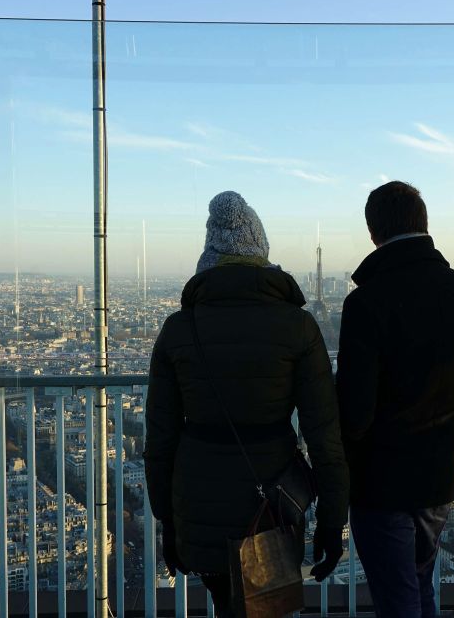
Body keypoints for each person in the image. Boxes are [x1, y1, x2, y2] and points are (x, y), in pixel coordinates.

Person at [144, 191, 349, 617]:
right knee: (266, 608)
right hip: (270, 499)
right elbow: (324, 435)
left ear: (209, 255)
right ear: (262, 251)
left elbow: (160, 439)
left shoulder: (180, 329)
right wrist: (333, 518)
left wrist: (166, 517)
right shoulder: (298, 327)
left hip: (198, 500)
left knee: (225, 604)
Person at [336, 180, 454, 618]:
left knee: (398, 599)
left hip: (380, 480)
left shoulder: (365, 304)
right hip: (436, 474)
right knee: (419, 585)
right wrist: (448, 414)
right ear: (424, 223)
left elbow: (354, 412)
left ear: (374, 233)